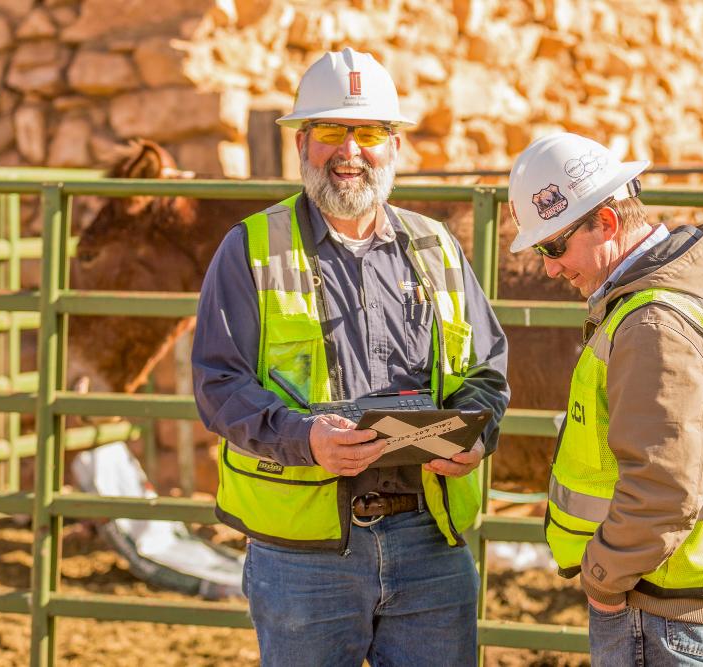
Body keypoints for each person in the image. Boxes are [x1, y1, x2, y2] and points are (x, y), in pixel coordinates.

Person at [192, 47, 509, 666]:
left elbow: (486, 367)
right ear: (301, 144)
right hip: (304, 557)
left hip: (430, 544)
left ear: (395, 145)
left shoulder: (436, 245)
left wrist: (476, 434)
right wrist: (303, 438)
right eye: (332, 132)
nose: (349, 152)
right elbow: (219, 385)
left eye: (367, 132)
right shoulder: (249, 249)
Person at [507, 132, 703, 666]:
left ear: (606, 222)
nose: (550, 268)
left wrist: (604, 577)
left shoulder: (654, 322)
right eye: (540, 250)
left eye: (554, 246)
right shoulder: (676, 298)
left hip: (656, 599)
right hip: (680, 588)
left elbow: (663, 487)